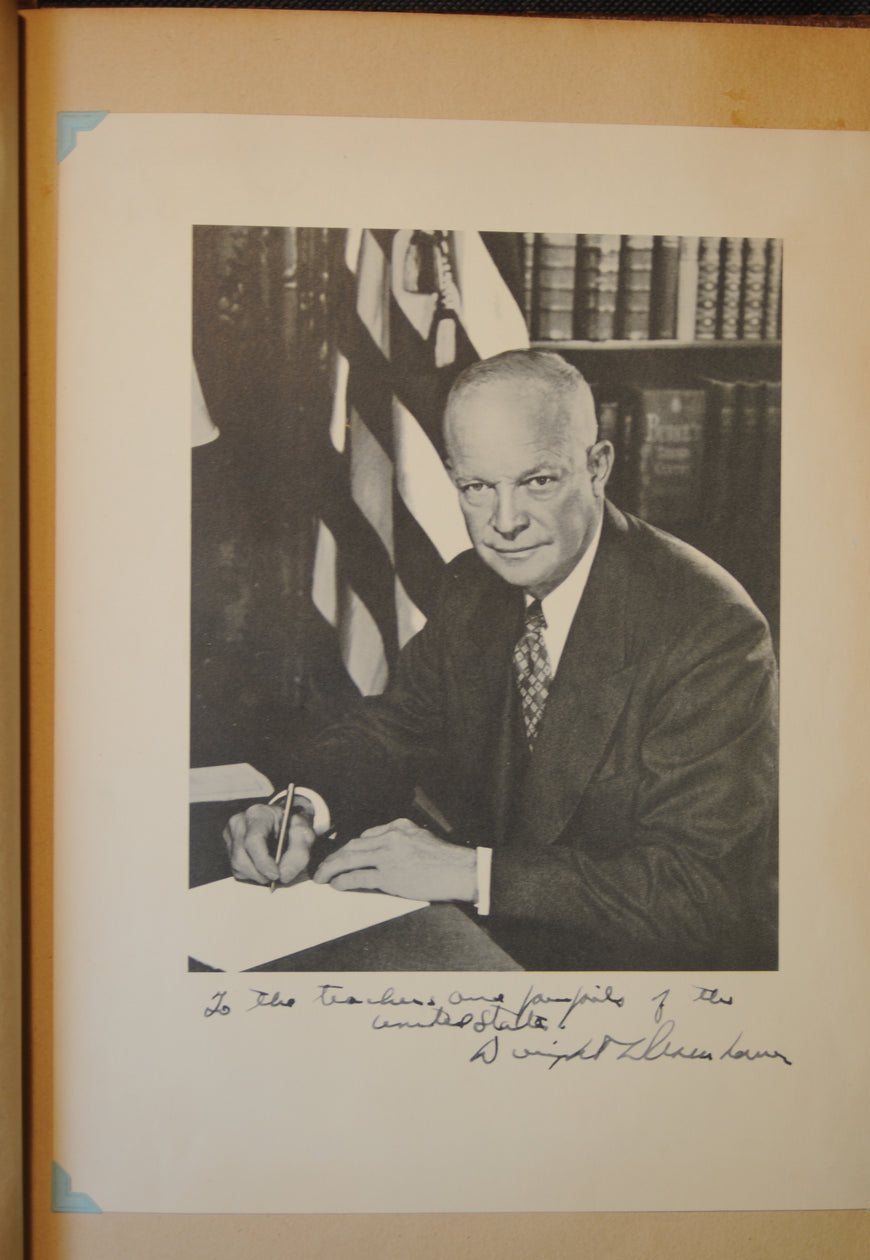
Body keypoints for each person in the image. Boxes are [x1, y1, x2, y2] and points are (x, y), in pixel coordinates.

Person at [224, 349, 778, 970]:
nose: (505, 523)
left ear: (597, 467)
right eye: (477, 488)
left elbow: (702, 892)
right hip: (497, 956)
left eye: (538, 481)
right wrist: (300, 806)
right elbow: (396, 727)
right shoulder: (473, 584)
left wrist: (473, 873)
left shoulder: (710, 629)